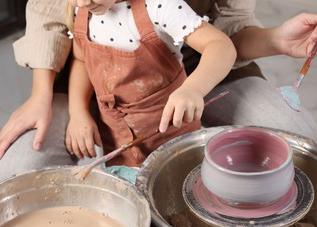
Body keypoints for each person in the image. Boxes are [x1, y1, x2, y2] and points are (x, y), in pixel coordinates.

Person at [0, 0, 317, 181]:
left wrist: (274, 40)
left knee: (298, 143)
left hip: (189, 82)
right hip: (99, 93)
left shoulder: (161, 7)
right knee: (19, 166)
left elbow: (224, 42)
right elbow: (72, 47)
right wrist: (53, 100)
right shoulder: (85, 10)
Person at [64, 0, 236, 166]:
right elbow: (81, 60)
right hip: (118, 141)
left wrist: (193, 89)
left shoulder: (158, 6)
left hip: (173, 136)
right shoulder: (82, 12)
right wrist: (78, 112)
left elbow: (220, 45)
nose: (83, 2)